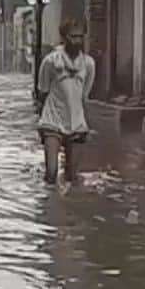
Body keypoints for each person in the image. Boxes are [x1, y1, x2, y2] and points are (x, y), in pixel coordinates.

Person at [36, 19, 96, 184]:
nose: (77, 41)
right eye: (73, 37)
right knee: (51, 173)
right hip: (52, 121)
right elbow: (43, 90)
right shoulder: (51, 61)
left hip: (76, 123)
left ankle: (68, 206)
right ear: (64, 37)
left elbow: (84, 94)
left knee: (72, 176)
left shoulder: (88, 64)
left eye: (80, 37)